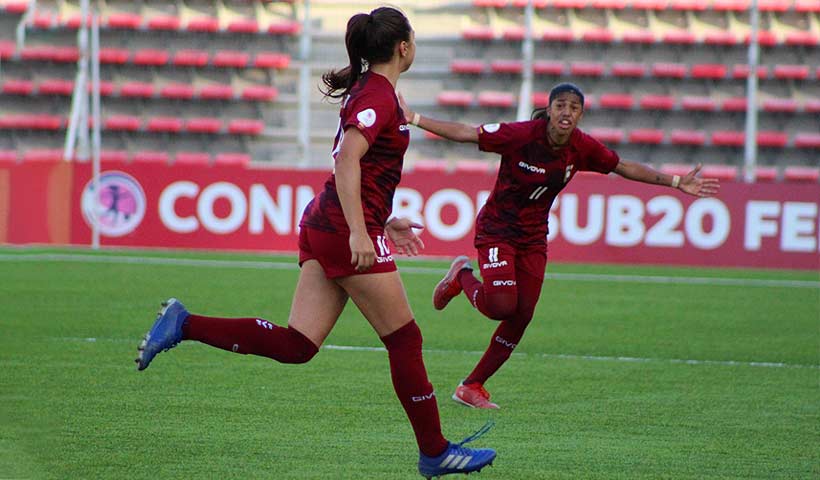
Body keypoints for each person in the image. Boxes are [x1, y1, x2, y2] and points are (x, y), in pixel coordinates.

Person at [134, 7, 496, 478]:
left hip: (332, 224)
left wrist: (380, 221)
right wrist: (363, 231)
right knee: (406, 338)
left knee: (298, 344)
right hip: (343, 231)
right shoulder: (378, 96)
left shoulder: (377, 93)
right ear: (404, 47)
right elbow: (347, 162)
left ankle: (184, 323)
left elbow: (360, 171)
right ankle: (434, 451)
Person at [399, 82, 720, 409]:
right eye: (561, 106)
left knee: (522, 314)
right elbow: (468, 132)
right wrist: (415, 117)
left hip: (533, 237)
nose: (567, 112)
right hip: (497, 230)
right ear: (550, 110)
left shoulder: (582, 147)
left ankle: (472, 385)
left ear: (581, 114)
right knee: (500, 307)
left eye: (574, 107)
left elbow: (622, 166)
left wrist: (677, 182)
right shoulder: (521, 135)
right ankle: (461, 276)